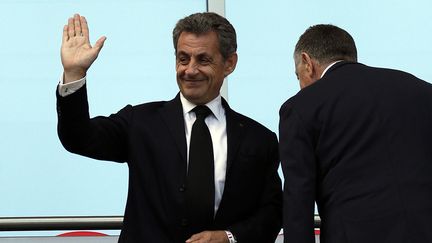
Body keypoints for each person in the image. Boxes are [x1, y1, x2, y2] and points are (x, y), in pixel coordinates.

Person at [56, 12, 282, 243]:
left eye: (203, 60)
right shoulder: (140, 122)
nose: (190, 70)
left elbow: (271, 213)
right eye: (183, 59)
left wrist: (228, 237)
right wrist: (75, 73)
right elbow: (78, 138)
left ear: (229, 63)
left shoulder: (259, 139)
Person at [279, 24, 432, 243]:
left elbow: (298, 203)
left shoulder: (300, 108)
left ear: (307, 63)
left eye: (297, 77)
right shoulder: (422, 92)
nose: (300, 86)